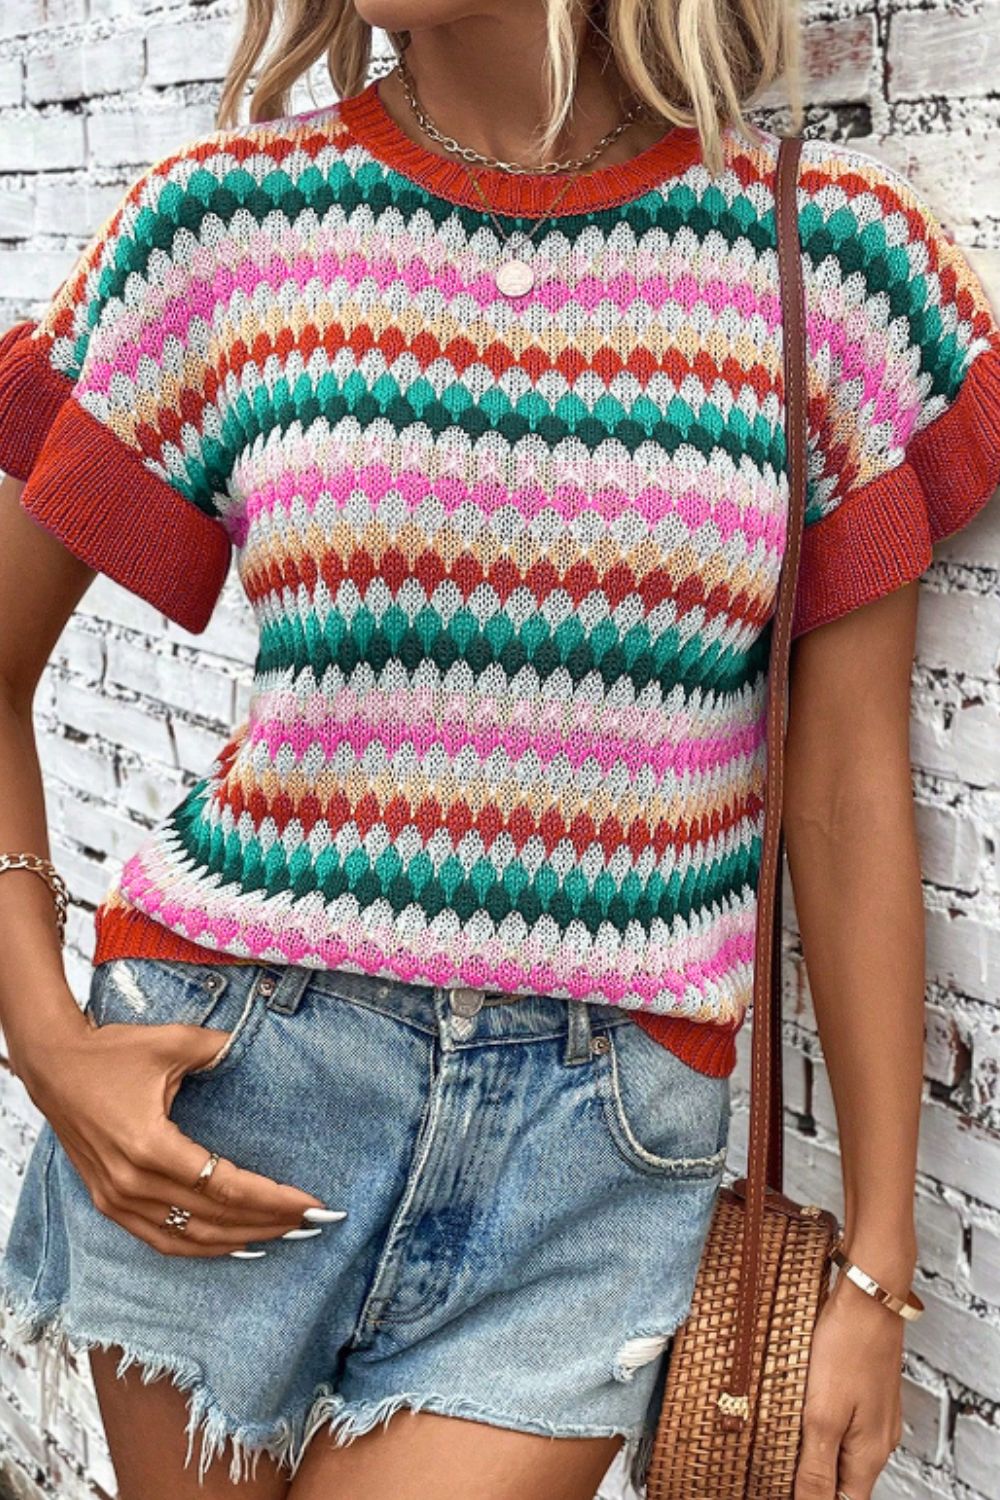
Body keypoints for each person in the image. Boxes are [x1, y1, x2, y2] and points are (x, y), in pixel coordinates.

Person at [0, 2, 997, 1498]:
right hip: (233, 1085)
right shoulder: (222, 226)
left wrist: (878, 1264)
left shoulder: (833, 263)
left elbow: (848, 799)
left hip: (593, 1148)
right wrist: (44, 1037)